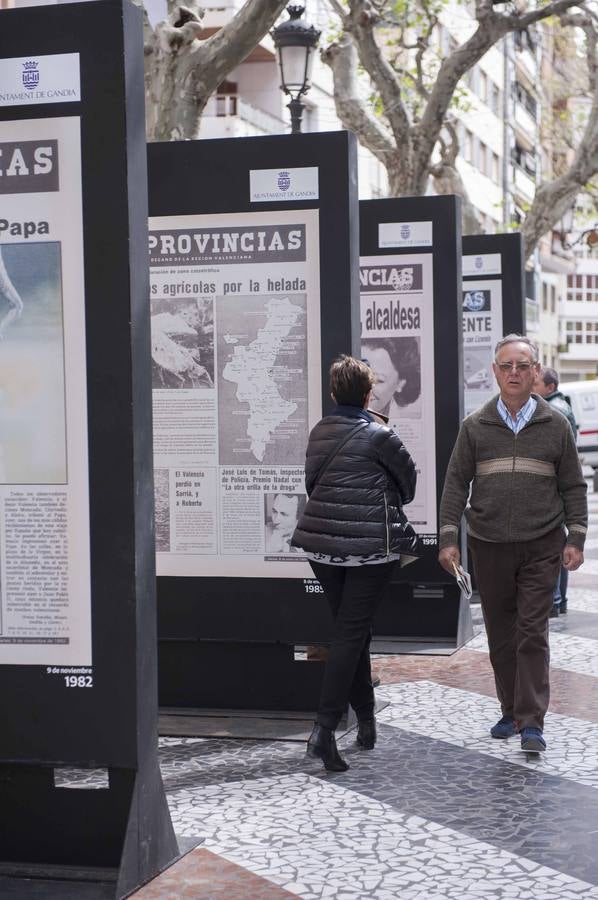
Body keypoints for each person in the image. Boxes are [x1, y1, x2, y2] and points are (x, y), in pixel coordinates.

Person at [438, 334, 587, 752]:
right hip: (489, 544)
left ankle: (532, 723)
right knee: (501, 635)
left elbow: (573, 486)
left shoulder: (555, 425)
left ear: (536, 371)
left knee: (532, 632)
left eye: (523, 366)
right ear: (495, 372)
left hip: (542, 543)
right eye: (507, 366)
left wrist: (575, 536)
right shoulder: (475, 426)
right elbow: (455, 484)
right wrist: (449, 538)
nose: (515, 373)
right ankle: (511, 710)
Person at [291, 355, 417, 771]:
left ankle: (365, 720)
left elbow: (313, 483)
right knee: (351, 633)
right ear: (367, 395)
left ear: (332, 393)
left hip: (323, 549)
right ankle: (324, 730)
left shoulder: (318, 432)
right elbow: (409, 486)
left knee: (352, 631)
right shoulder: (380, 435)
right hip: (370, 550)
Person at [533, 366, 578, 616]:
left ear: (550, 387)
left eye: (537, 382)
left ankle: (554, 600)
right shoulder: (560, 405)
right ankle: (558, 600)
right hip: (559, 484)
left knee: (554, 541)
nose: (532, 386)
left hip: (555, 486)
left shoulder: (554, 410)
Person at [361, 337, 421, 421]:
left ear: (400, 383)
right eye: (361, 377)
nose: (365, 387)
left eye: (379, 380)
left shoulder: (412, 419)